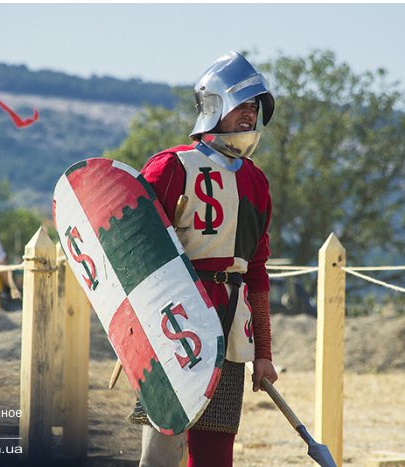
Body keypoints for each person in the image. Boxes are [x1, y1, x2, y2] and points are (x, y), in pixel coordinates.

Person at [134, 51, 278, 467]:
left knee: (215, 458)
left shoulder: (255, 181)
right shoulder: (171, 167)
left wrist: (264, 351)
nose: (250, 116)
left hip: (230, 329)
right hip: (172, 325)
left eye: (254, 107)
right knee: (160, 454)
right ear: (215, 106)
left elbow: (256, 272)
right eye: (241, 106)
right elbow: (138, 255)